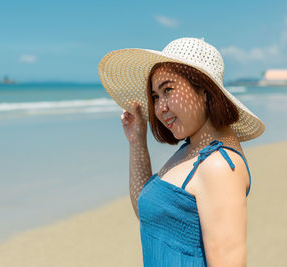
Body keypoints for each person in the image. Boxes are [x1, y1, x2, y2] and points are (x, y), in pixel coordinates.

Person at [98, 37, 265, 266]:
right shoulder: (191, 150)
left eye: (168, 90)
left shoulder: (218, 166)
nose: (160, 107)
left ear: (205, 91)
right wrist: (137, 141)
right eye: (156, 96)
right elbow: (150, 213)